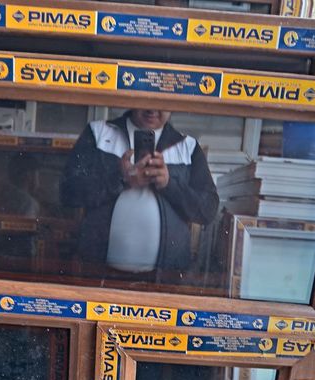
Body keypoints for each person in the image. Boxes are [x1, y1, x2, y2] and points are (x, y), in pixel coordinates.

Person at [60, 108, 219, 280]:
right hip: (98, 273)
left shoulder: (188, 146)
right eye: (148, 100)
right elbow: (67, 193)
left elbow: (208, 211)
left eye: (162, 102)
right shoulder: (97, 133)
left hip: (165, 278)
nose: (152, 109)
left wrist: (169, 185)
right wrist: (122, 179)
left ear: (173, 104)